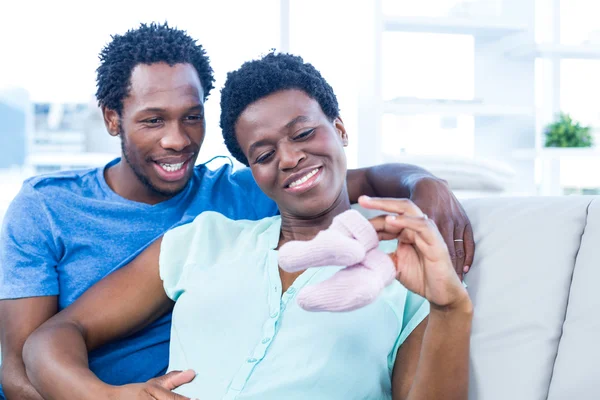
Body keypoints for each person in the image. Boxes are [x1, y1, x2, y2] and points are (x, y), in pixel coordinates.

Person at [0, 23, 474, 400]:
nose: (176, 139)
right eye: (264, 154)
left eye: (190, 116)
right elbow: (33, 353)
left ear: (340, 128)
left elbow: (354, 180)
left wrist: (427, 186)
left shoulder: (403, 267)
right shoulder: (199, 238)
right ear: (111, 119)